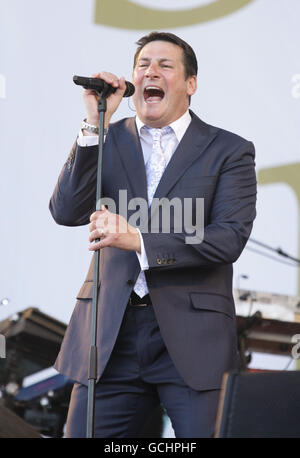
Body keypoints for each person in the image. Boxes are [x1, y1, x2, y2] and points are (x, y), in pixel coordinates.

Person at [49, 31, 257, 438]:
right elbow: (65, 210)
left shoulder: (228, 151)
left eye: (164, 65)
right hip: (110, 338)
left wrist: (141, 240)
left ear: (191, 84)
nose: (150, 72)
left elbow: (228, 237)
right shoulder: (108, 138)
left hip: (192, 341)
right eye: (143, 65)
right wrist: (94, 123)